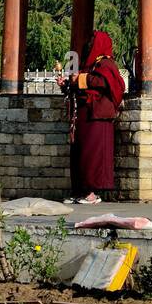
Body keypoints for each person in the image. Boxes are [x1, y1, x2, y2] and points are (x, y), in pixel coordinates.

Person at [57, 31, 125, 205]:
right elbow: (79, 86)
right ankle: (79, 190)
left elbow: (109, 83)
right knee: (80, 153)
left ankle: (91, 193)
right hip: (84, 114)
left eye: (93, 42)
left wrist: (80, 79)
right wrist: (66, 84)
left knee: (92, 155)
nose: (89, 45)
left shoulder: (106, 63)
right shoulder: (89, 64)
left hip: (98, 116)